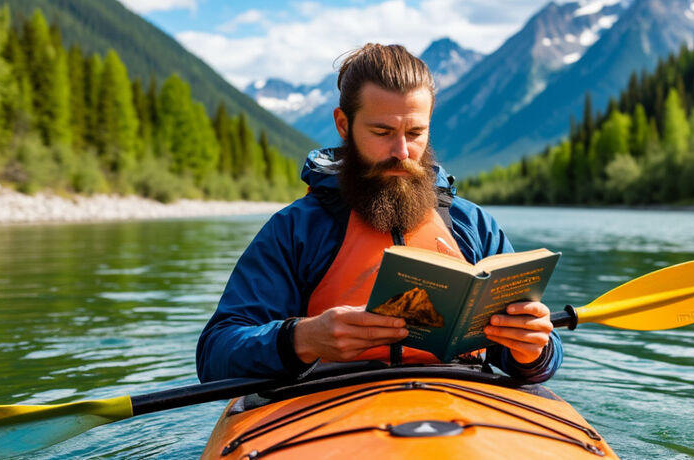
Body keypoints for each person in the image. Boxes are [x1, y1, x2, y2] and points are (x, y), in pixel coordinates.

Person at [196, 44, 562, 383]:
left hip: (461, 406)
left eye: (416, 132)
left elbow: (542, 350)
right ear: (343, 125)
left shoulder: (473, 225)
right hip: (330, 409)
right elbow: (215, 353)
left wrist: (532, 348)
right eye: (382, 131)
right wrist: (301, 338)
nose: (402, 151)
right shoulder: (297, 229)